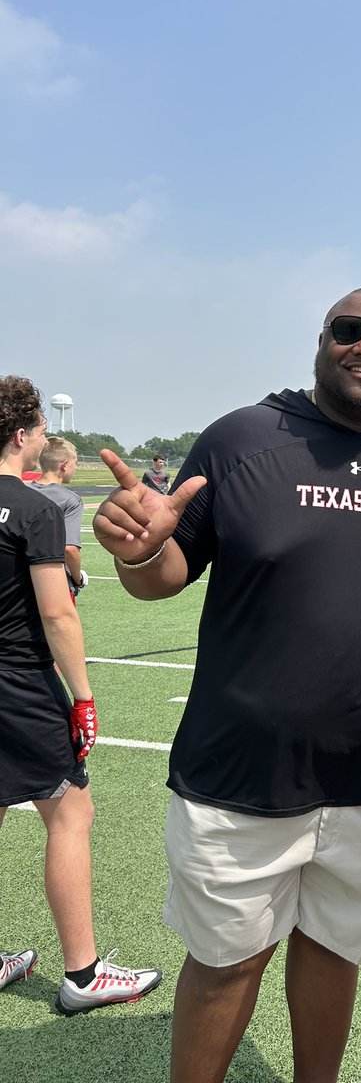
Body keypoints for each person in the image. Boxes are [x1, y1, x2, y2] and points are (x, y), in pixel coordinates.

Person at [92, 289, 361, 1083]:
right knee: (226, 965)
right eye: (349, 330)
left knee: (334, 956)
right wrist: (135, 550)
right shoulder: (243, 437)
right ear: (322, 342)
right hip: (239, 770)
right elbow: (163, 577)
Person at [0, 375, 162, 1013]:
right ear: (21, 434)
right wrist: (84, 695)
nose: (43, 438)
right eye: (38, 428)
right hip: (19, 678)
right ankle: (84, 973)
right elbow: (58, 614)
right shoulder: (35, 507)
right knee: (70, 813)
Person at [28, 437, 88, 599]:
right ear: (64, 465)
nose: (76, 467)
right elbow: (69, 548)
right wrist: (78, 578)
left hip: (18, 579)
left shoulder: (22, 491)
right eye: (75, 463)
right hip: (53, 583)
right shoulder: (70, 500)